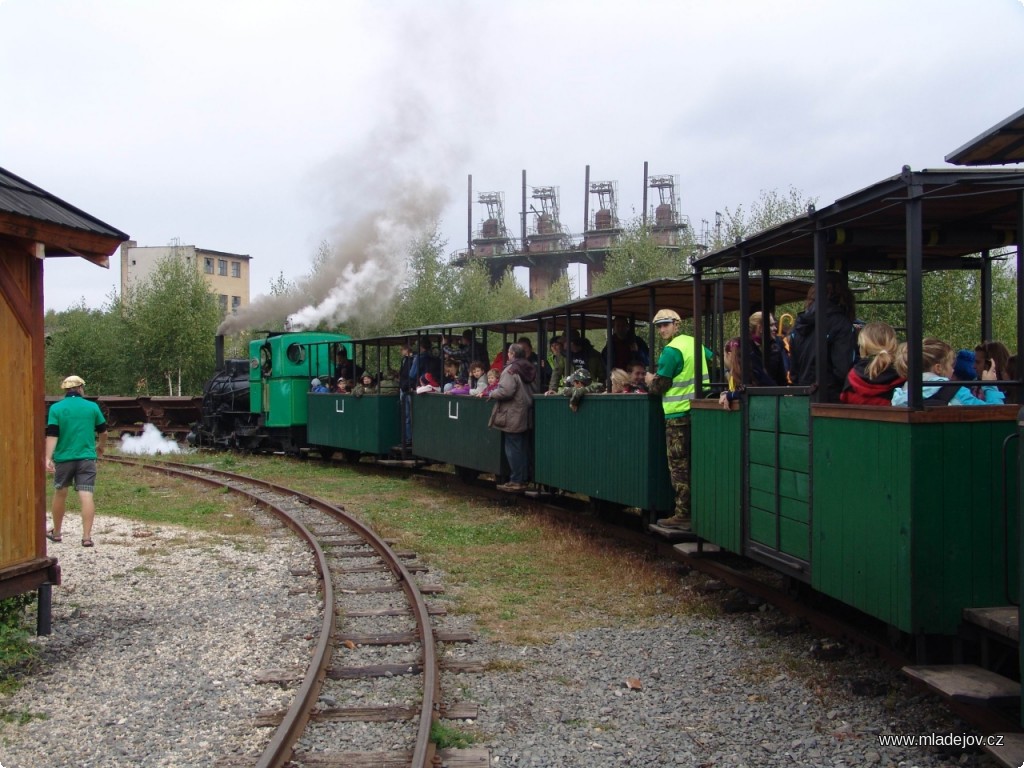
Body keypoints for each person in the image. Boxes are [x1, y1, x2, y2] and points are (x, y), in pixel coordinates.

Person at [644, 308, 709, 530]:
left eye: (666, 324)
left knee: (679, 467)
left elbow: (659, 386)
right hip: (700, 412)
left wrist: (650, 379)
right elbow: (714, 359)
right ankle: (701, 509)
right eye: (659, 326)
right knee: (697, 464)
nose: (662, 329)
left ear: (676, 325)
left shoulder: (671, 351)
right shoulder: (695, 344)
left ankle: (683, 514)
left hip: (677, 416)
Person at [45, 375, 108, 548]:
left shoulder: (56, 408)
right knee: (86, 494)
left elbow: (52, 434)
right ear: (80, 388)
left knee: (60, 493)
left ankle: (57, 533)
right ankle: (86, 537)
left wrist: (48, 457)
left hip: (64, 458)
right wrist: (100, 447)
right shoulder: (92, 407)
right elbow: (103, 432)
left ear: (65, 389)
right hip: (87, 458)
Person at [788, 273, 857, 402]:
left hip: (802, 398)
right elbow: (843, 370)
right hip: (831, 401)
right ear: (844, 296)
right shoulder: (842, 325)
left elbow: (794, 373)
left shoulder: (798, 326)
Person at [892, 338, 1004, 406]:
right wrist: (990, 385)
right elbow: (996, 414)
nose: (953, 369)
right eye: (951, 365)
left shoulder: (904, 392)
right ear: (938, 368)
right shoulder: (954, 391)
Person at [488, 343, 536, 492]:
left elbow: (506, 391)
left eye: (508, 353)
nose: (507, 355)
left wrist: (492, 393)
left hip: (513, 413)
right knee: (523, 446)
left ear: (512, 354)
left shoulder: (510, 369)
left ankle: (516, 480)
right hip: (527, 411)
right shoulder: (530, 367)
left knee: (513, 446)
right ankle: (523, 478)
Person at [839, 322, 905, 405]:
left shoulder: (852, 378)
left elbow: (844, 401)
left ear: (863, 347)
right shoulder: (903, 378)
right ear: (893, 344)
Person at [748, 311, 786, 385]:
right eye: (771, 325)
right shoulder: (745, 348)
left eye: (775, 325)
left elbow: (782, 378)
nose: (775, 328)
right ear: (760, 328)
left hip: (774, 394)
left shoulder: (776, 347)